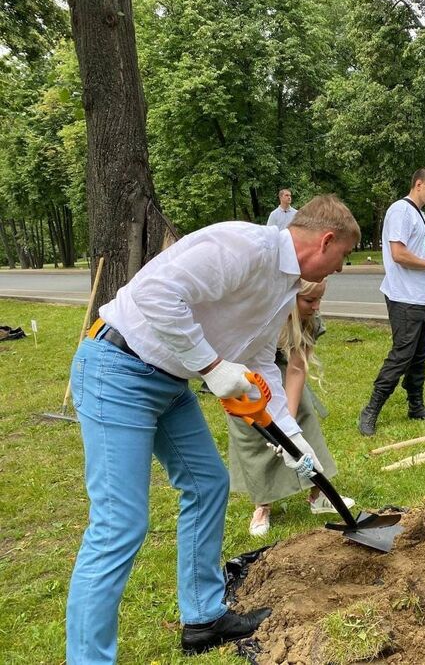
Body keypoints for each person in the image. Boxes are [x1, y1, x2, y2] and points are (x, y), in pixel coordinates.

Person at [66, 195, 359, 662]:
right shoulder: (244, 246)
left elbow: (259, 359)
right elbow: (153, 294)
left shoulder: (283, 285)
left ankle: (203, 617)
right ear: (325, 241)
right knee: (119, 523)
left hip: (169, 382)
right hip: (118, 370)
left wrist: (292, 436)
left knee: (207, 485)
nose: (341, 268)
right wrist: (212, 365)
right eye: (343, 256)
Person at [226, 280, 355, 536]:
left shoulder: (309, 320)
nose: (317, 307)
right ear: (289, 297)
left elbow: (296, 369)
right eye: (309, 300)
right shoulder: (257, 314)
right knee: (255, 442)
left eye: (320, 299)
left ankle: (319, 494)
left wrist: (288, 423)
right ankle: (262, 505)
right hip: (247, 378)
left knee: (304, 429)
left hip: (285, 374)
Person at [358, 168, 425, 436]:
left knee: (420, 354)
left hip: (420, 296)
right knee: (402, 355)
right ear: (418, 184)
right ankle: (371, 409)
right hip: (404, 297)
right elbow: (398, 254)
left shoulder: (419, 213)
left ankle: (416, 406)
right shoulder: (401, 210)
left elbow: (416, 252)